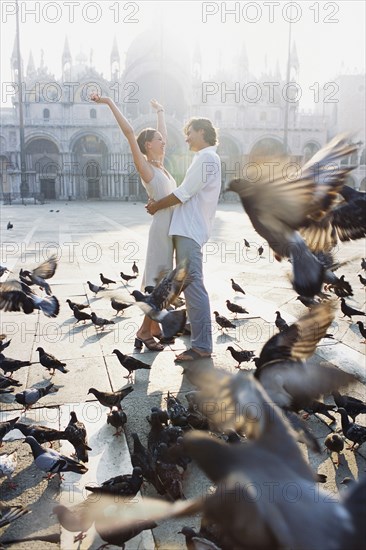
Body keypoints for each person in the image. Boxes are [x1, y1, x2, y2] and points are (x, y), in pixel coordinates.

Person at [90, 93, 177, 351]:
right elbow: (130, 133)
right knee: (158, 286)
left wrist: (160, 112)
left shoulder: (161, 166)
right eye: (159, 140)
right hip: (161, 231)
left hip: (169, 230)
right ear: (148, 145)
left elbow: (163, 134)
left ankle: (152, 328)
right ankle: (144, 331)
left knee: (161, 285)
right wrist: (108, 102)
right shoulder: (146, 168)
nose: (164, 141)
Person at [146, 117, 221, 361]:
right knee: (186, 285)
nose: (186, 138)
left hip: (190, 230)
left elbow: (183, 193)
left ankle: (201, 346)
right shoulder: (205, 159)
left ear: (202, 132)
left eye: (189, 133)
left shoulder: (207, 159)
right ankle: (191, 329)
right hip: (188, 229)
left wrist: (157, 206)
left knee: (194, 285)